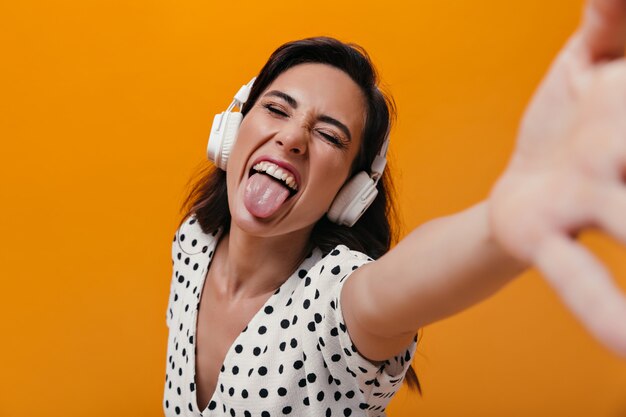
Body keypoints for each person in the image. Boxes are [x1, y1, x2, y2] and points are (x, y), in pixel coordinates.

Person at [163, 0, 626, 415]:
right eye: (277, 109)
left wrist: (496, 226)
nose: (292, 138)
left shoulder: (333, 302)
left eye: (329, 135)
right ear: (232, 130)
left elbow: (391, 289)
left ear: (351, 192)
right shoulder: (194, 243)